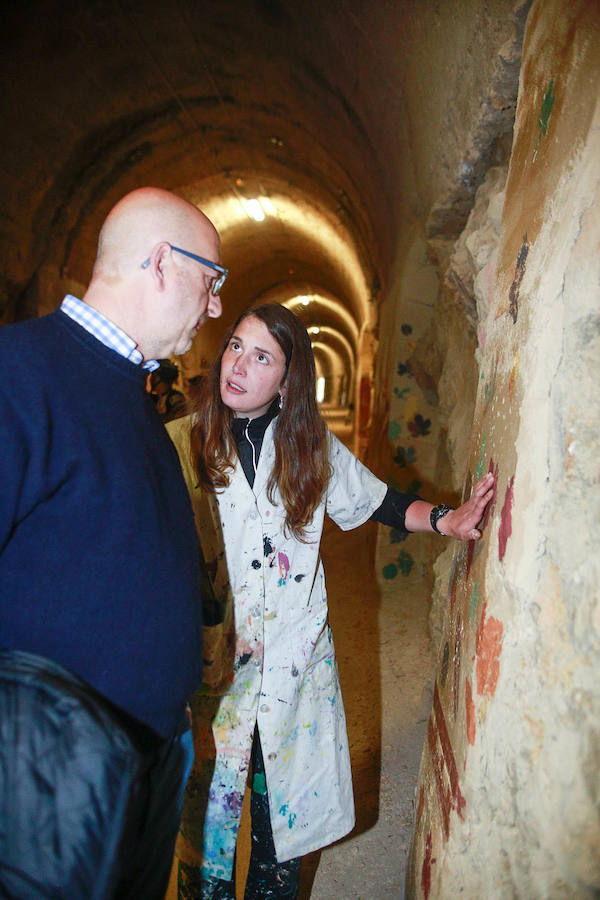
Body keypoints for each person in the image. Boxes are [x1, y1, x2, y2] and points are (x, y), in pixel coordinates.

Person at [166, 303, 495, 899]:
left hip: (295, 673)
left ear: (288, 380)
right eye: (236, 346)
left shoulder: (311, 449)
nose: (238, 365)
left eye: (261, 357)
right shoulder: (180, 446)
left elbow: (380, 502)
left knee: (282, 837)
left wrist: (448, 519)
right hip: (210, 676)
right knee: (206, 844)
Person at [0, 186, 227, 900]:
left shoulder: (135, 393)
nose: (215, 304)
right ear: (162, 263)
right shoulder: (19, 374)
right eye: (211, 281)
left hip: (150, 757)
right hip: (47, 782)